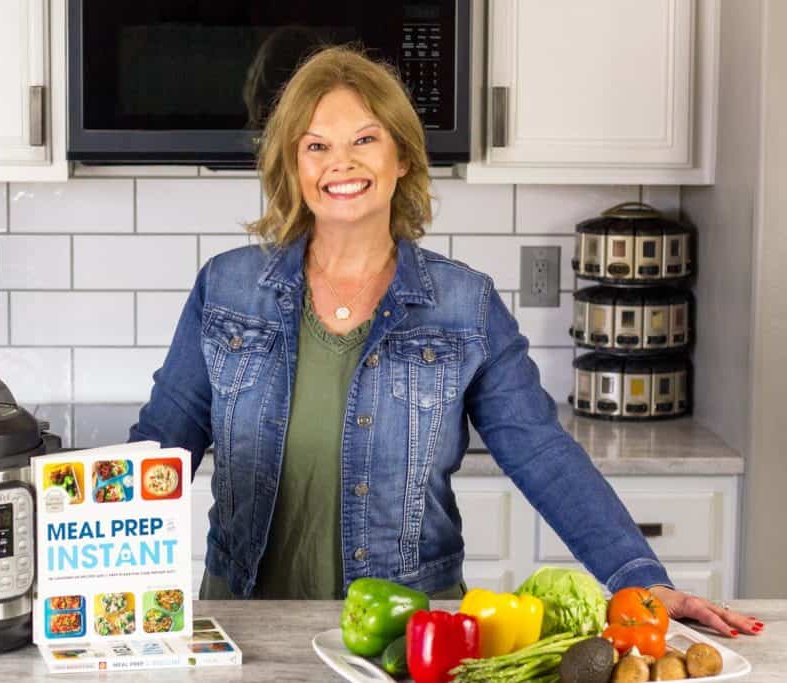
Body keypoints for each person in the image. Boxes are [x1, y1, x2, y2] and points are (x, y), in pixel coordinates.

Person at [129, 45, 762, 638]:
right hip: (243, 629)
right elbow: (161, 446)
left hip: (407, 638)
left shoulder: (465, 305)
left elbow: (540, 453)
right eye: (316, 145)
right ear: (294, 168)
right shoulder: (227, 288)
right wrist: (75, 548)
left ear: (401, 158)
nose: (340, 163)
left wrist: (640, 580)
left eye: (364, 140)